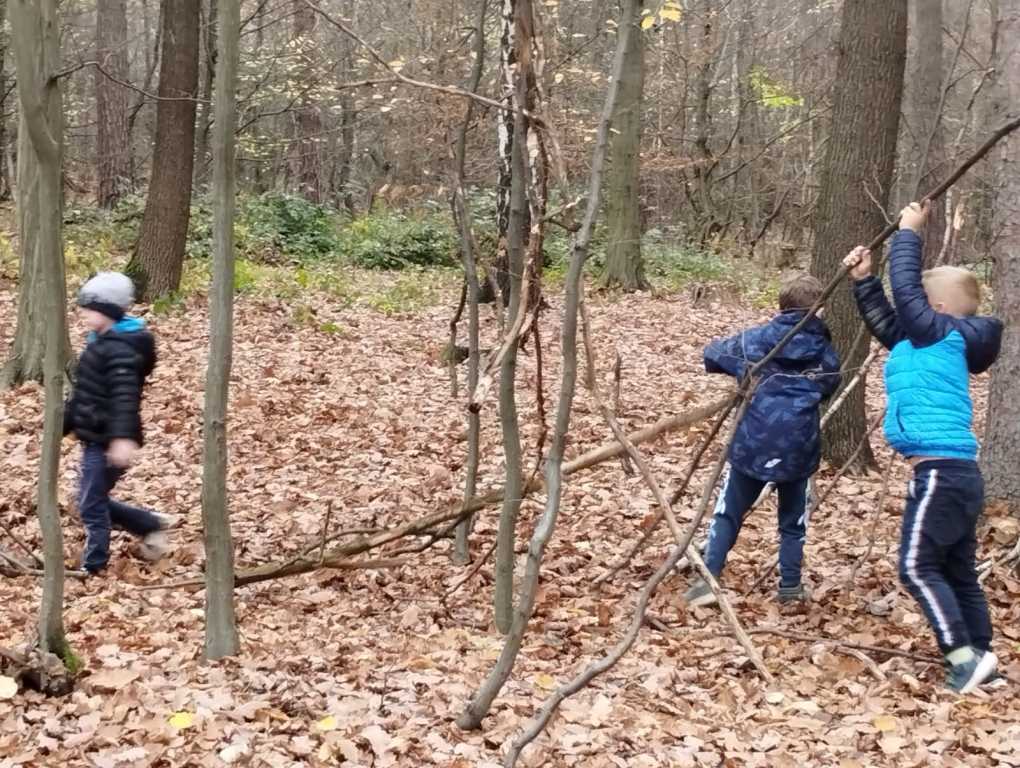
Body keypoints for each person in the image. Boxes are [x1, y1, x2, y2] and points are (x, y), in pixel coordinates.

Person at [845, 200, 1003, 694]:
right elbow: (888, 324)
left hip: (941, 473)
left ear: (935, 310)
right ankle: (982, 657)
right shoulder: (924, 341)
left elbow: (907, 294)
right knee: (957, 569)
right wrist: (864, 282)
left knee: (916, 567)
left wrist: (909, 233)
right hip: (954, 474)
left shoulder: (941, 335)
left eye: (918, 304)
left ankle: (961, 658)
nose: (908, 311)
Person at [684, 273, 841, 607]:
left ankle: (709, 579)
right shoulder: (826, 355)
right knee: (793, 523)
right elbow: (828, 386)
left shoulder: (754, 342)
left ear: (781, 307)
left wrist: (743, 370)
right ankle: (790, 586)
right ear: (820, 310)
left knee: (728, 512)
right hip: (798, 449)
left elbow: (712, 354)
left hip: (752, 445)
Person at [64, 272, 177, 575]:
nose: (84, 313)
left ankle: (94, 565)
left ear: (107, 311)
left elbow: (124, 397)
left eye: (90, 308)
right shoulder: (100, 342)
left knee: (90, 503)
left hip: (108, 441)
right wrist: (64, 424)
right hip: (95, 435)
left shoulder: (121, 349)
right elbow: (85, 392)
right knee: (91, 499)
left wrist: (121, 438)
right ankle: (149, 524)